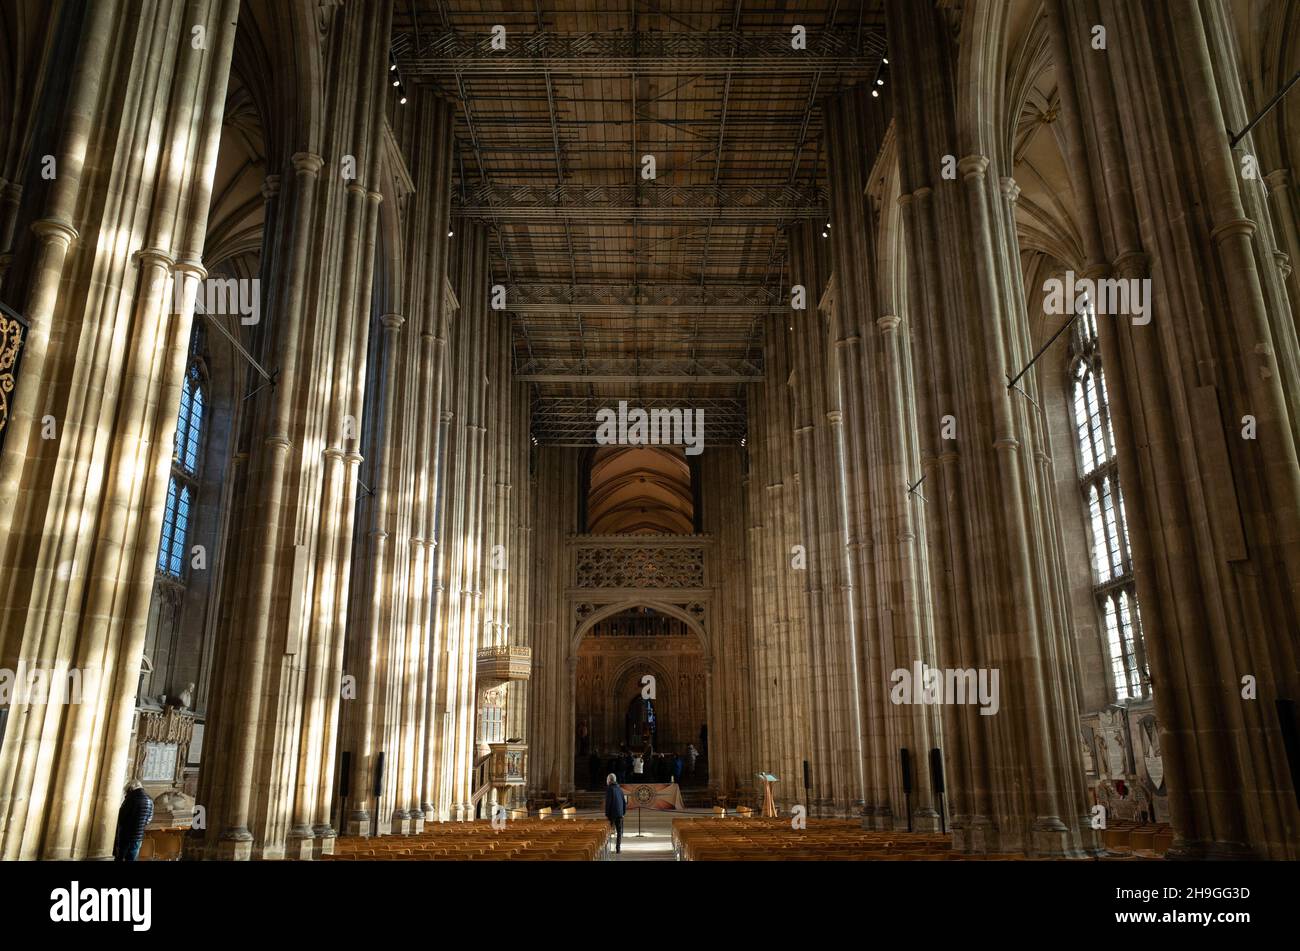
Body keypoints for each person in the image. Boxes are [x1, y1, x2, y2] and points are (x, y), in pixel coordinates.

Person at [112, 781, 154, 862]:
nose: (126, 793)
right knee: (132, 858)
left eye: (127, 791)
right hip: (138, 836)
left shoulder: (131, 798)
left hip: (125, 834)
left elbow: (121, 816)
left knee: (119, 857)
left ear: (131, 789)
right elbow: (149, 819)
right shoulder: (149, 800)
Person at [604, 773, 628, 854]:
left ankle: (607, 849)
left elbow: (608, 803)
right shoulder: (619, 788)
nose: (606, 781)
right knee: (619, 832)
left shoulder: (610, 789)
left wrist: (607, 814)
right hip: (620, 814)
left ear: (610, 780)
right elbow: (624, 802)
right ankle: (618, 849)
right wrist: (623, 812)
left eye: (607, 779)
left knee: (607, 831)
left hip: (612, 814)